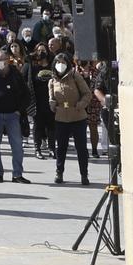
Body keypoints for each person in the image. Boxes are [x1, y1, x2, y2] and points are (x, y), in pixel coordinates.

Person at [0, 50, 32, 184]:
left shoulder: (15, 74)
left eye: (1, 59)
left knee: (17, 146)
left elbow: (27, 94)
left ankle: (17, 174)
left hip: (12, 115)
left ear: (8, 61)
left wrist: (20, 110)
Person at [49, 51, 95, 185]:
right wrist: (52, 104)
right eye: (58, 63)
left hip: (77, 116)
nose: (60, 65)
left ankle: (84, 174)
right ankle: (59, 172)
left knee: (81, 148)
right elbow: (51, 97)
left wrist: (81, 105)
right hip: (61, 117)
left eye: (63, 63)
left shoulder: (75, 76)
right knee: (61, 147)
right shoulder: (52, 80)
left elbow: (87, 93)